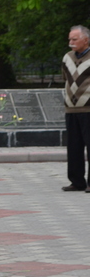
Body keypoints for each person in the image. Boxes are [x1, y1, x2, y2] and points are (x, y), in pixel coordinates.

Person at [61, 25, 90, 192]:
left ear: (86, 40)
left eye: (74, 39)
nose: (71, 42)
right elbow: (65, 78)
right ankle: (76, 181)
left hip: (89, 109)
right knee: (73, 147)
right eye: (69, 39)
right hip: (71, 109)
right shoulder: (67, 57)